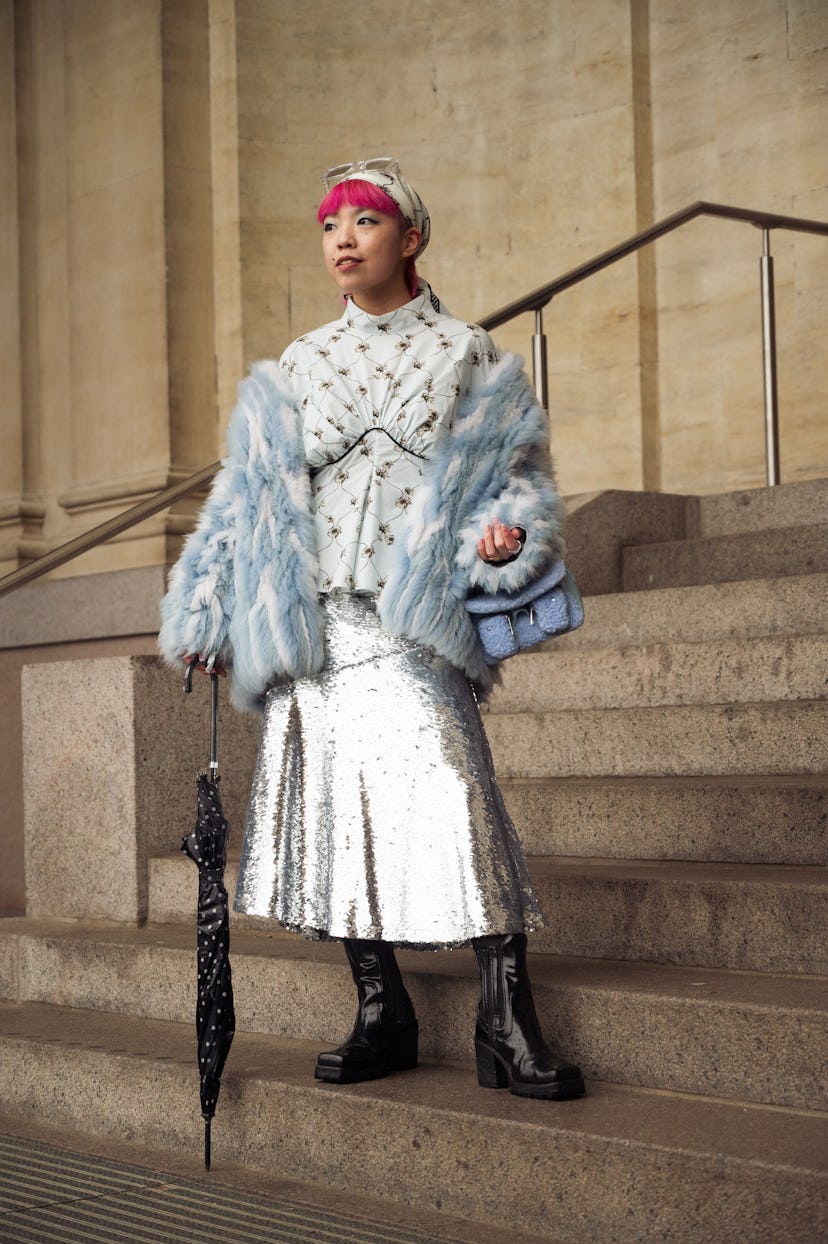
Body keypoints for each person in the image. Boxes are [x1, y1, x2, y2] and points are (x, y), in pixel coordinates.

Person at [159, 157, 584, 1102]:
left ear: (412, 238)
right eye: (329, 225)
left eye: (365, 221)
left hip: (412, 619)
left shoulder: (466, 350)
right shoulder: (303, 362)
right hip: (322, 624)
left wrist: (504, 527)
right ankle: (379, 1006)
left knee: (457, 797)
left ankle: (505, 1020)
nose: (343, 238)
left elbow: (515, 475)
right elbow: (252, 499)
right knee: (339, 813)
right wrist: (209, 605)